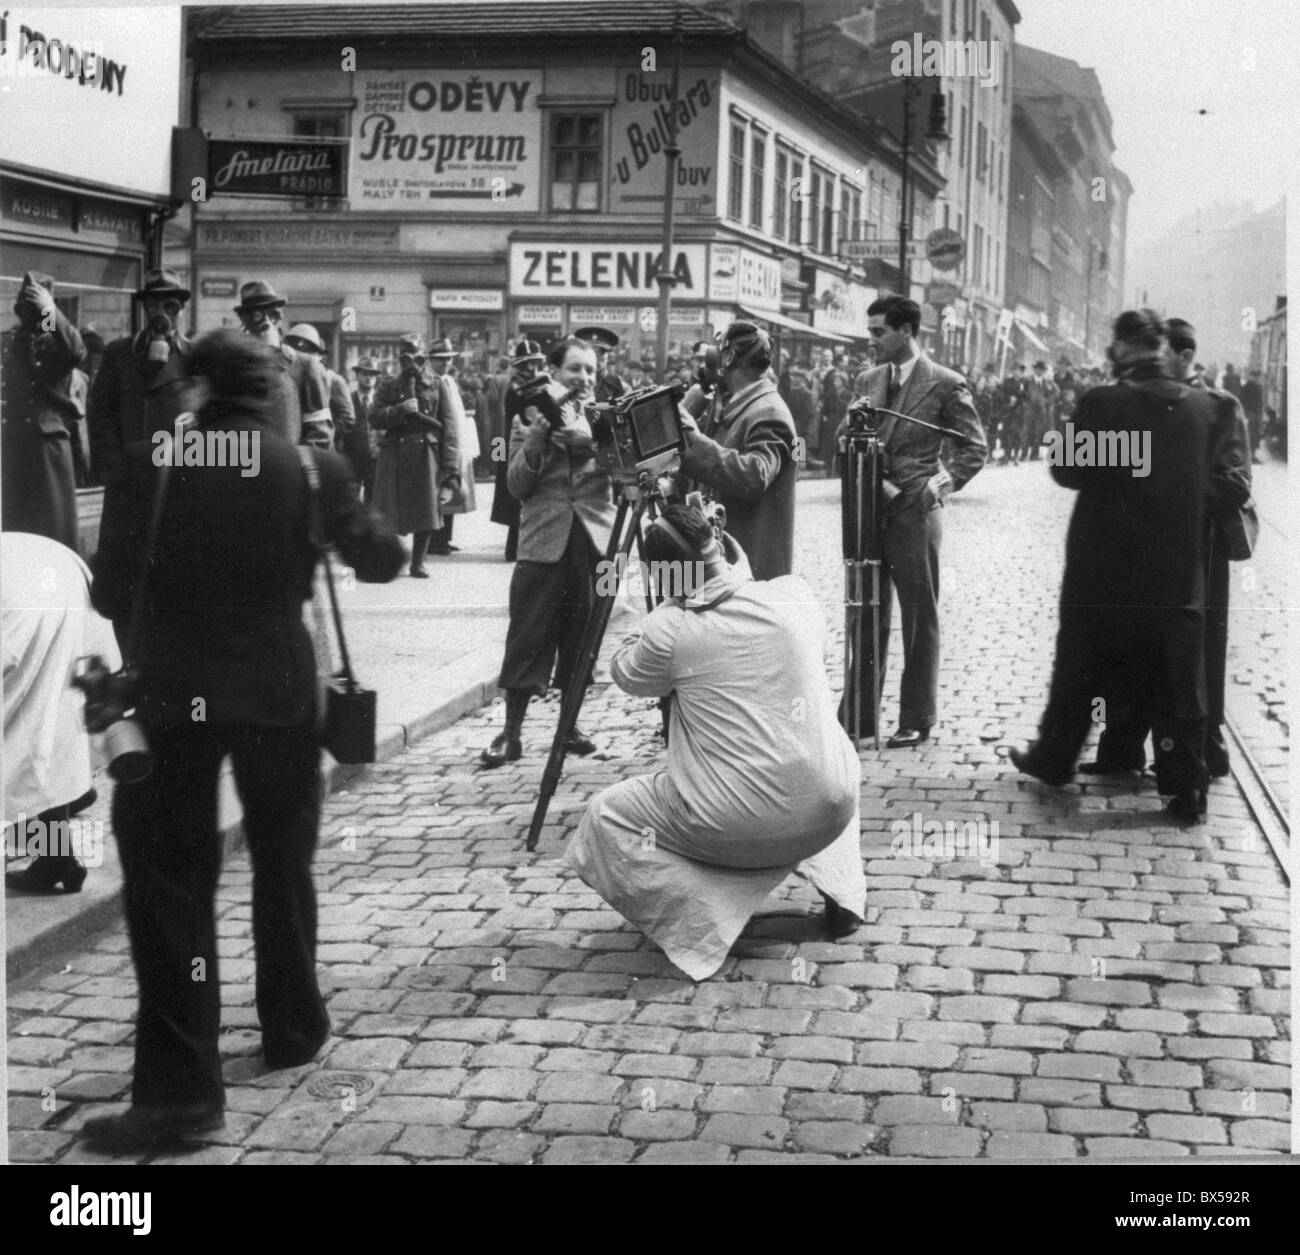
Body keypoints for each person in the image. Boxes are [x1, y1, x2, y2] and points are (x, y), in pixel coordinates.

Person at [84, 330, 403, 1153]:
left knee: (171, 886)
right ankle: (294, 1024)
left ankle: (182, 1097)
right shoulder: (312, 468)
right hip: (281, 697)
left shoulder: (151, 464)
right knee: (282, 861)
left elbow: (110, 589)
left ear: (195, 390)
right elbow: (383, 558)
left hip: (174, 701)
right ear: (269, 390)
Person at [566, 505, 867, 980]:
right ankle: (843, 893)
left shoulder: (670, 629)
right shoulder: (794, 595)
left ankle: (706, 924)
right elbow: (766, 610)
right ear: (720, 539)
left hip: (733, 826)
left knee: (606, 816)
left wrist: (669, 601)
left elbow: (626, 672)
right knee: (818, 750)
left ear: (665, 574)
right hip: (831, 811)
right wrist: (730, 567)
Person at [1010, 310, 1220, 821]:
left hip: (1105, 566)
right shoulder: (1201, 407)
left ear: (1123, 348)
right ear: (1162, 348)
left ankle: (1055, 757)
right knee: (1174, 680)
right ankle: (1186, 786)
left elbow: (1067, 470)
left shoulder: (1105, 402)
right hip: (1175, 570)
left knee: (1079, 667)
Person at [1079, 317, 1253, 782]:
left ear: (1185, 356)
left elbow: (1236, 483)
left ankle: (1200, 752)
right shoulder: (1141, 401)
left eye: (1162, 356)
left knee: (1189, 662)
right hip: (1135, 553)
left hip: (1197, 555)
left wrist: (1169, 485)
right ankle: (1121, 747)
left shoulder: (1219, 406)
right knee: (1128, 647)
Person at [840, 294, 988, 747]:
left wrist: (938, 485)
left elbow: (974, 447)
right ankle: (859, 717)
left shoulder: (945, 383)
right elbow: (844, 438)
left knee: (919, 617)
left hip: (915, 516)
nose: (871, 340)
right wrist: (849, 432)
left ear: (906, 331)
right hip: (869, 511)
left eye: (878, 331)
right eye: (870, 331)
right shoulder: (867, 380)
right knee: (866, 612)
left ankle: (917, 717)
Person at [479, 336, 615, 768]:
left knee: (583, 638)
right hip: (543, 539)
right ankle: (511, 733)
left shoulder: (606, 416)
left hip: (593, 540)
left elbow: (627, 468)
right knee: (526, 636)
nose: (584, 378)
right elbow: (516, 485)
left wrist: (590, 441)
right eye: (575, 368)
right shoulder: (529, 413)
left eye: (591, 370)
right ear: (553, 372)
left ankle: (568, 727)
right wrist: (536, 443)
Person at [3, 533, 117, 894]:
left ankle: (52, 851)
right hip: (58, 571)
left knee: (27, 733)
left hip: (20, 595)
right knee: (49, 726)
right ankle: (57, 858)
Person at [676, 321, 798, 581]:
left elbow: (754, 475)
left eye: (717, 350)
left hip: (749, 565)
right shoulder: (735, 403)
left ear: (729, 357)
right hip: (725, 558)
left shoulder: (768, 412)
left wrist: (693, 440)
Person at [87, 268, 196, 484]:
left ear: (181, 309)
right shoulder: (119, 352)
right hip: (129, 473)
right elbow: (101, 412)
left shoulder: (195, 356)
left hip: (178, 473)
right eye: (153, 305)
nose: (161, 314)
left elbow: (210, 410)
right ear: (145, 308)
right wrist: (114, 465)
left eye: (169, 306)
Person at [2, 272, 83, 552]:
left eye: (35, 306)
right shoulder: (10, 340)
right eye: (26, 305)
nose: (31, 311)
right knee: (17, 532)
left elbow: (75, 351)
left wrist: (50, 310)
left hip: (47, 450)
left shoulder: (52, 339)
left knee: (53, 530)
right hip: (14, 447)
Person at [370, 334, 462, 578]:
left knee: (426, 509)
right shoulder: (389, 385)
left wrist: (450, 469)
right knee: (389, 510)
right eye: (406, 358)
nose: (412, 364)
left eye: (417, 358)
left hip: (425, 455)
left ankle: (418, 561)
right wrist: (400, 410)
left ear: (424, 359)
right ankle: (389, 559)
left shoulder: (437, 385)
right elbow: (374, 417)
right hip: (394, 455)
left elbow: (450, 429)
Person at [231, 281, 332, 449]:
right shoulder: (234, 367)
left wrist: (294, 461)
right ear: (245, 321)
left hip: (288, 461)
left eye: (272, 315)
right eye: (256, 315)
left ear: (278, 318)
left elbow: (320, 433)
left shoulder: (305, 366)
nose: (265, 323)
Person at [490, 340, 543, 563]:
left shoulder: (524, 385)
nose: (533, 368)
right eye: (529, 364)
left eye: (535, 363)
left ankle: (517, 547)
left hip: (511, 442)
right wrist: (499, 453)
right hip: (515, 443)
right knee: (516, 498)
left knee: (519, 498)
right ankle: (514, 549)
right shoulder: (517, 388)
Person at [425, 338, 477, 556]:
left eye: (448, 359)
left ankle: (445, 538)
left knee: (452, 487)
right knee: (439, 492)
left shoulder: (449, 381)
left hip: (454, 443)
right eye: (440, 359)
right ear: (430, 360)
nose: (445, 363)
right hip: (439, 444)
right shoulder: (430, 382)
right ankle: (434, 540)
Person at [283, 323, 355, 458]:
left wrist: (329, 433)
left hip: (321, 447)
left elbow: (347, 419)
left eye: (310, 353)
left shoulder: (334, 380)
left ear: (322, 357)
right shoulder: (289, 376)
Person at [344, 357, 381, 501]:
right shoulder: (348, 399)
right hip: (352, 458)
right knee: (351, 498)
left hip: (375, 459)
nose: (369, 378)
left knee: (373, 500)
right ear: (357, 375)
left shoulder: (380, 400)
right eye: (365, 374)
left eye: (372, 374)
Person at [1022, 360, 1058, 461]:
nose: (1040, 371)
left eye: (1042, 370)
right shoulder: (1027, 380)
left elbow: (1056, 392)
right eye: (1038, 369)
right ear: (1035, 369)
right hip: (1029, 410)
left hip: (1041, 411)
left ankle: (1034, 454)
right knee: (1027, 432)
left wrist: (1047, 400)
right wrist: (1026, 401)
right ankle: (1023, 454)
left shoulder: (1047, 382)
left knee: (1038, 433)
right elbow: (1022, 393)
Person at [1240, 368, 1265, 463]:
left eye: (1257, 376)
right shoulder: (1246, 387)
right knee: (1248, 435)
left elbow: (1261, 402)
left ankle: (1253, 456)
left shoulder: (1259, 387)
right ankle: (1247, 456)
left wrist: (1262, 414)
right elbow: (1242, 401)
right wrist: (1246, 414)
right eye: (1254, 376)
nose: (1256, 378)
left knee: (1255, 435)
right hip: (1250, 414)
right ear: (1250, 376)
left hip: (1257, 414)